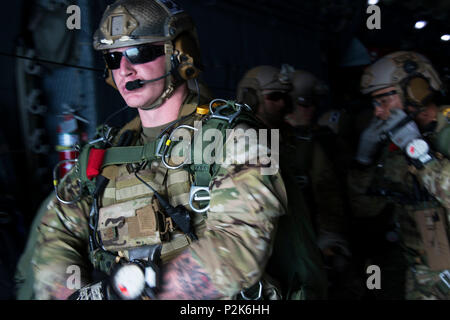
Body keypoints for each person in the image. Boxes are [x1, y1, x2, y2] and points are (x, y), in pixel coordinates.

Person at [20, 0, 292, 300]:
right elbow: (56, 232)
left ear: (180, 54)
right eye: (113, 57)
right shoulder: (103, 152)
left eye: (140, 53)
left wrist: (132, 292)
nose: (124, 70)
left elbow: (239, 245)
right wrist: (74, 295)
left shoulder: (235, 139)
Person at [355, 51, 450, 299]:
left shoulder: (444, 133)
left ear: (415, 90)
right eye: (374, 104)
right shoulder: (398, 143)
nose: (377, 112)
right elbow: (365, 208)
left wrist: (419, 154)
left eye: (382, 101)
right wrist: (364, 160)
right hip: (422, 273)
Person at [236, 65, 328, 299]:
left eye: (285, 97)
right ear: (250, 98)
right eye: (274, 97)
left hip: (304, 255)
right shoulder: (232, 146)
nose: (283, 104)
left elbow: (329, 196)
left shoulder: (302, 145)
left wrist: (332, 242)